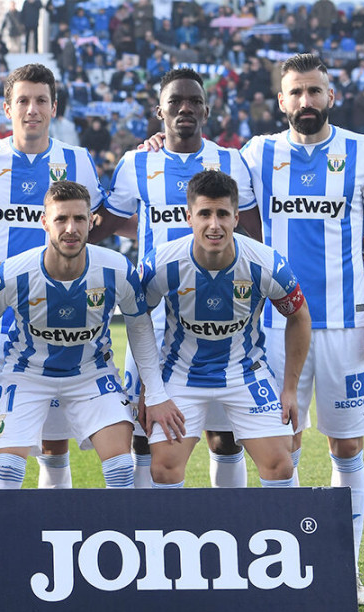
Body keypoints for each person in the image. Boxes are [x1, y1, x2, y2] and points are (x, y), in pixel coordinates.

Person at [240, 53, 364, 606]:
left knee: (347, 445)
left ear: (330, 96)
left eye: (314, 91)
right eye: (295, 93)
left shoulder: (361, 150)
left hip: (347, 325)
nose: (305, 101)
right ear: (280, 101)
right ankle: (284, 569)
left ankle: (344, 570)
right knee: (282, 446)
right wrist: (155, 146)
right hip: (275, 324)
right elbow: (205, 183)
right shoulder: (257, 154)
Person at [0, 181, 184, 489]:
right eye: (61, 219)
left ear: (91, 222)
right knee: (6, 473)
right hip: (27, 375)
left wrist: (155, 394)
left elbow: (139, 327)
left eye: (78, 219)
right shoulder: (13, 273)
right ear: (45, 222)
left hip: (92, 374)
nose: (71, 228)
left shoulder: (116, 269)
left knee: (121, 470)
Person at [94, 66, 261, 490]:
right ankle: (151, 538)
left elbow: (253, 232)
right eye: (175, 102)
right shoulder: (136, 162)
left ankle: (228, 531)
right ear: (160, 111)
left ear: (206, 108)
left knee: (224, 437)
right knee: (146, 430)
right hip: (151, 317)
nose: (184, 108)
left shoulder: (230, 160)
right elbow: (108, 224)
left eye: (193, 101)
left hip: (217, 313)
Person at [0, 63, 105, 491]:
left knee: (55, 446)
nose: (31, 109)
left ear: (53, 107)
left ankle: (49, 538)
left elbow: (98, 222)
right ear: (7, 107)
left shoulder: (76, 161)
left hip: (59, 325)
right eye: (23, 100)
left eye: (40, 100)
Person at [140, 170, 311, 489]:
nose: (214, 224)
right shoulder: (161, 264)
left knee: (280, 465)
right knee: (163, 468)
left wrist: (289, 388)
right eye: (205, 213)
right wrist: (150, 389)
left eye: (222, 214)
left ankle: (278, 535)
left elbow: (299, 317)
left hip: (245, 372)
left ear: (236, 217)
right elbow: (138, 321)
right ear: (189, 217)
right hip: (181, 374)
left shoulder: (266, 263)